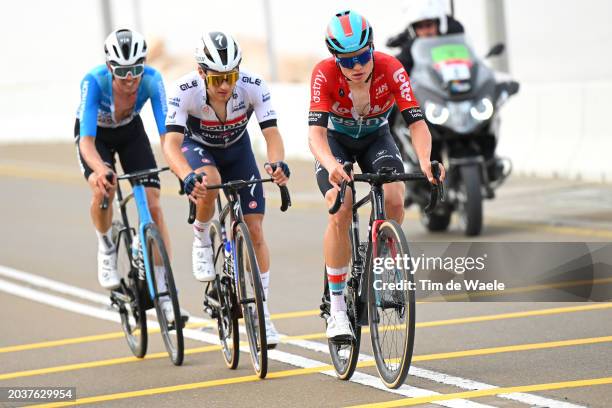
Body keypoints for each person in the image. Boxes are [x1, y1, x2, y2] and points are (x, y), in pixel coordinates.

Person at [308, 10, 445, 340]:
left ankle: (379, 265)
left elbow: (416, 123)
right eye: (347, 60)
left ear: (372, 48)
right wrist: (330, 165)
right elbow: (315, 135)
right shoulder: (324, 74)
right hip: (335, 142)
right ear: (335, 58)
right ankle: (338, 308)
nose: (357, 66)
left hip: (376, 138)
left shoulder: (391, 68)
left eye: (363, 56)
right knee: (341, 206)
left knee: (395, 197)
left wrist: (425, 161)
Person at [163, 31, 290, 346]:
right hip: (198, 148)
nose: (224, 86)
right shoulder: (184, 90)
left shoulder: (253, 86)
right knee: (210, 181)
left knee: (256, 231)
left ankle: (263, 314)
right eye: (217, 78)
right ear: (201, 72)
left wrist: (277, 164)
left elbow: (272, 135)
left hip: (237, 150)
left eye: (230, 77)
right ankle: (202, 235)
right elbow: (171, 145)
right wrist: (186, 175)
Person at [75, 29, 184, 322]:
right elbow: (85, 141)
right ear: (110, 67)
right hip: (95, 137)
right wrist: (100, 169)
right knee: (104, 190)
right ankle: (106, 244)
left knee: (154, 203)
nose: (130, 78)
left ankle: (164, 292)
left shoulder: (152, 80)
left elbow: (166, 134)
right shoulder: (94, 81)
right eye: (122, 71)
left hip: (129, 133)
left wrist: (179, 166)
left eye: (136, 69)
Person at [387, 0, 465, 74]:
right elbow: (399, 70)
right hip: (424, 88)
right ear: (414, 30)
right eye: (420, 27)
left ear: (438, 24)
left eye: (429, 25)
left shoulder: (452, 40)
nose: (426, 31)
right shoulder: (410, 49)